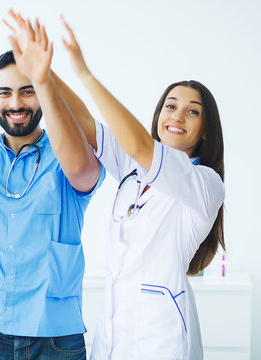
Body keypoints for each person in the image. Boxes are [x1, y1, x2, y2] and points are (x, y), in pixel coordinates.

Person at [0, 4, 104, 359]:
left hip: (53, 336)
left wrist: (44, 77)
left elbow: (83, 170)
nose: (16, 103)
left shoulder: (66, 155)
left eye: (28, 91)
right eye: (5, 92)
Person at [53, 16, 225, 359]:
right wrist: (44, 75)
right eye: (170, 106)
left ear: (205, 131)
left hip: (161, 340)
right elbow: (87, 124)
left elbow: (138, 145)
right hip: (113, 332)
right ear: (159, 113)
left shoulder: (206, 184)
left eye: (192, 112)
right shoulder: (134, 170)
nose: (176, 116)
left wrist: (86, 74)